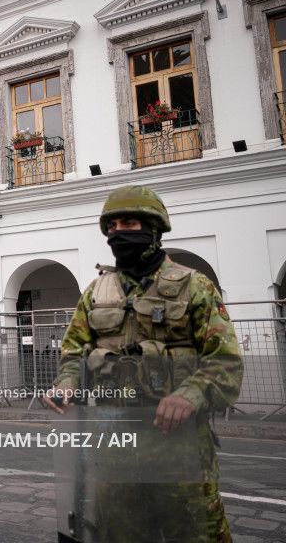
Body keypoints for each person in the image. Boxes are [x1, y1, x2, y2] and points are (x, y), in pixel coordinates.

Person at [43, 185, 243, 542]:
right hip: (113, 450)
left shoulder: (194, 287)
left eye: (130, 223)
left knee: (195, 533)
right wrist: (67, 383)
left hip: (177, 450)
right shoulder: (95, 293)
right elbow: (74, 353)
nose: (120, 233)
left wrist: (190, 394)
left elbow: (225, 361)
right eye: (113, 226)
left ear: (154, 229)